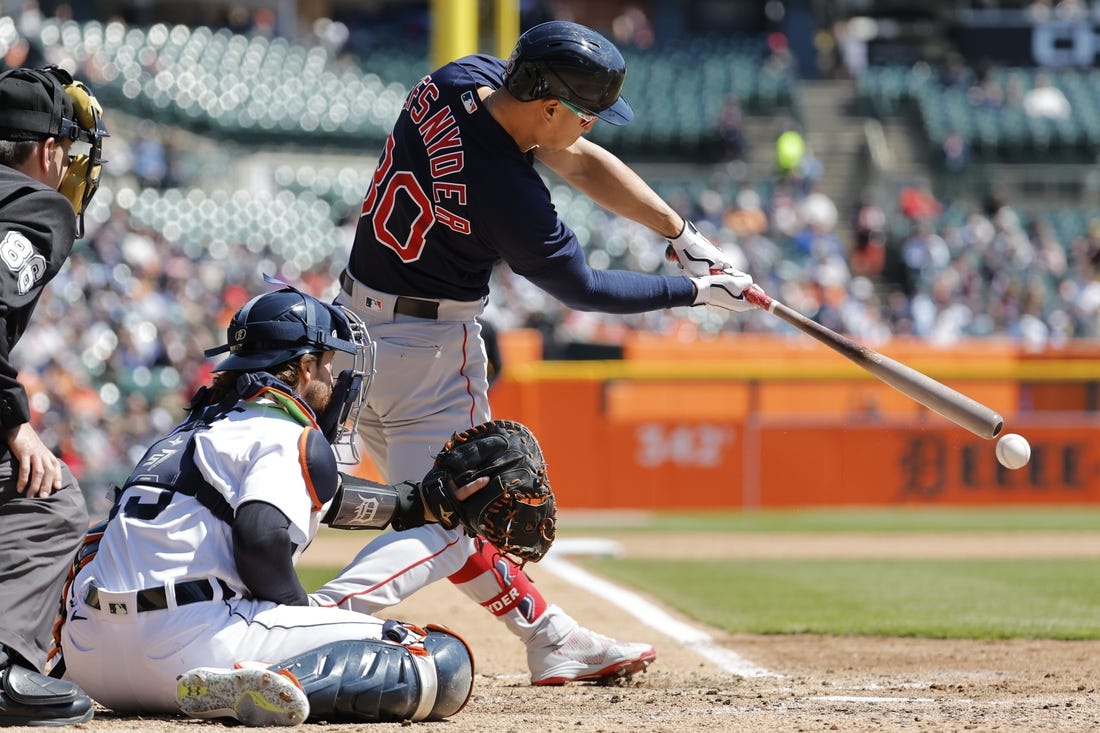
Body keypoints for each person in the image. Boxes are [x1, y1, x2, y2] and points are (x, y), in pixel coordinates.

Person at [331, 19, 754, 685]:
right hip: (428, 355)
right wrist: (694, 292)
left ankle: (553, 636)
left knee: (443, 512)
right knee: (447, 525)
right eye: (586, 114)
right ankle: (313, 617)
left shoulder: (458, 78)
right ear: (549, 105)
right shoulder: (508, 193)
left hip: (349, 334)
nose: (591, 127)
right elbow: (584, 288)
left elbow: (578, 160)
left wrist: (680, 231)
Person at [58, 285, 485, 725]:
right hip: (190, 648)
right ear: (304, 367)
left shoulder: (185, 434)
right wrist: (298, 617)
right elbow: (261, 537)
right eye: (327, 364)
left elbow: (328, 498)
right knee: (441, 659)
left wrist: (421, 502)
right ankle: (271, 679)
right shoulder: (283, 431)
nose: (332, 379)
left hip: (92, 660)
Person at [0, 63, 108, 726]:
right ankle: (5, 665)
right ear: (47, 152)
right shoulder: (34, 204)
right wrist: (13, 421)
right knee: (51, 500)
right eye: (65, 156)